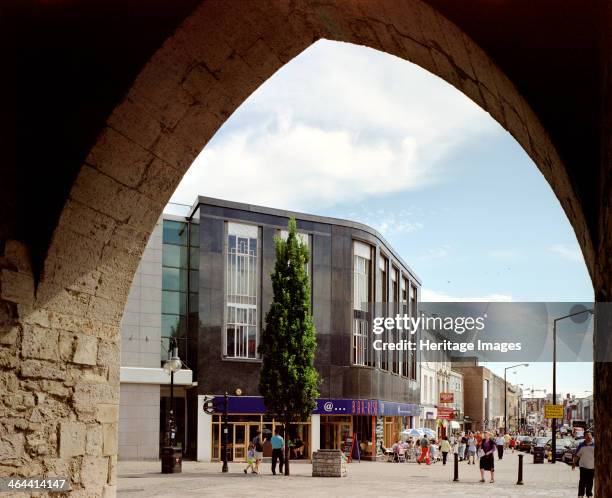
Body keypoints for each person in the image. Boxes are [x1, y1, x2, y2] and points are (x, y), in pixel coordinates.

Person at [572, 431, 594, 498]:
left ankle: (589, 494)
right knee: (582, 481)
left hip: (592, 467)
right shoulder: (581, 445)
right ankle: (580, 495)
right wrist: (574, 463)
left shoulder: (595, 444)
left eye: (590, 435)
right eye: (587, 435)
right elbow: (577, 455)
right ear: (584, 437)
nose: (589, 437)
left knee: (590, 482)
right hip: (583, 466)